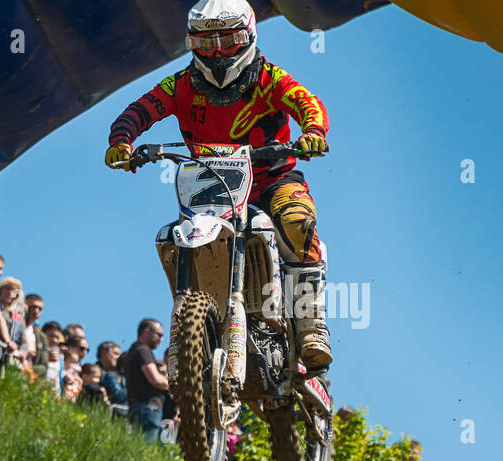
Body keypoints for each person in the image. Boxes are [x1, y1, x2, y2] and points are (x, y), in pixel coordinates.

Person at [105, 0, 333, 372]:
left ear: (248, 36)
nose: (217, 53)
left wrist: (313, 132)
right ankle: (195, 323)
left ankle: (310, 327)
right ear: (192, 44)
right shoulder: (180, 84)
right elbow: (140, 109)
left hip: (271, 179)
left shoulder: (269, 78)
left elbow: (309, 103)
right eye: (206, 44)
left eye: (227, 41)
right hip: (209, 184)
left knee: (297, 222)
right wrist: (122, 142)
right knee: (173, 236)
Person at [124, 318, 168, 441]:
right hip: (149, 408)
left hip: (139, 407)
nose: (161, 339)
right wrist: (172, 384)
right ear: (147, 331)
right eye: (159, 334)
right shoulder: (143, 350)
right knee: (146, 446)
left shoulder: (133, 351)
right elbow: (156, 380)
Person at [97, 340, 128, 409]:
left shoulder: (122, 376)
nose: (119, 357)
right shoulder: (93, 371)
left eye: (120, 355)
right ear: (104, 353)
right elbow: (116, 395)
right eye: (116, 353)